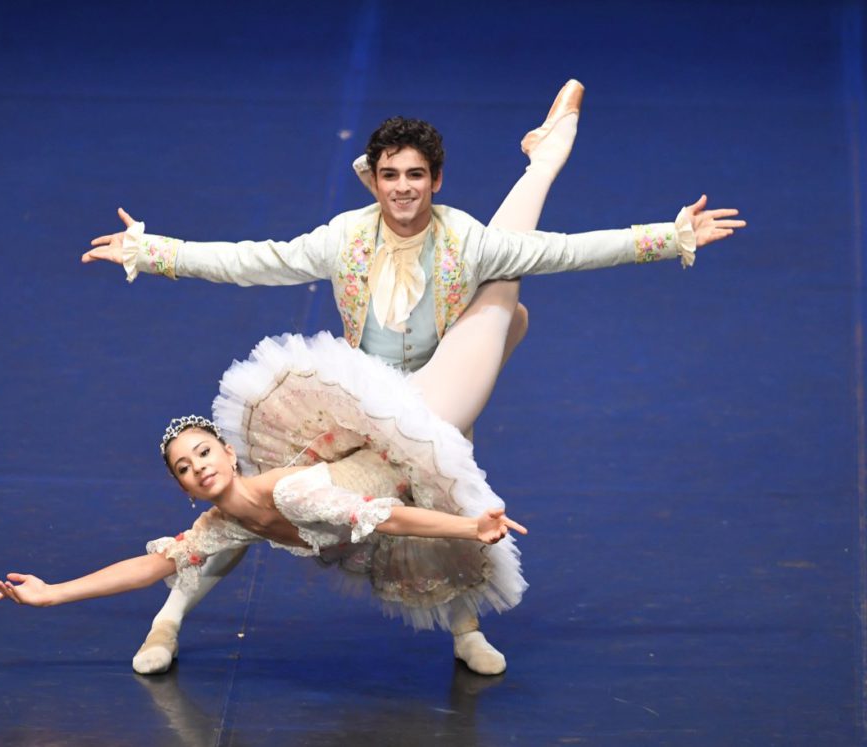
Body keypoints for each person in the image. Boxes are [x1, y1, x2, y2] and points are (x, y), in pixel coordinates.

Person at [80, 85, 745, 675]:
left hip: (442, 384)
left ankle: (465, 626)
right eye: (391, 175)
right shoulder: (344, 238)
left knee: (453, 465)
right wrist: (155, 250)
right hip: (355, 401)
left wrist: (671, 235)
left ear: (436, 180)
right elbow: (253, 260)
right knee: (248, 501)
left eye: (417, 176)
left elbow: (567, 250)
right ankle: (168, 615)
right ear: (373, 179)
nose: (403, 188)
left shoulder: (465, 239)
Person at [0, 335, 530, 659]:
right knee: (499, 327)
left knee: (500, 304)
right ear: (183, 489)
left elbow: (385, 520)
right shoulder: (225, 526)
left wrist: (472, 527)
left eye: (202, 454)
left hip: (414, 436)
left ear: (227, 452)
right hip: (389, 484)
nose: (197, 467)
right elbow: (148, 568)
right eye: (184, 468)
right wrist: (53, 594)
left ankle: (542, 165)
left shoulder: (295, 492)